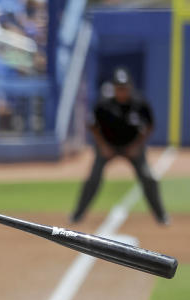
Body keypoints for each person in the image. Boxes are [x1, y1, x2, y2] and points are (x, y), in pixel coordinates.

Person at [70, 67, 168, 226]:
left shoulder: (139, 103)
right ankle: (77, 214)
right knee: (93, 178)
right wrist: (103, 146)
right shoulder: (104, 104)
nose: (121, 91)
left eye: (124, 87)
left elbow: (150, 125)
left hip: (132, 147)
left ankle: (161, 215)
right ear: (114, 88)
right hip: (108, 147)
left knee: (148, 177)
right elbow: (92, 126)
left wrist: (137, 145)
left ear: (130, 86)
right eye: (118, 87)